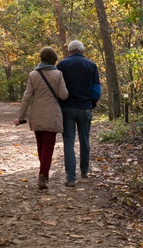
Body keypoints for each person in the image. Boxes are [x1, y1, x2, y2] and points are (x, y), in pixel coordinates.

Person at [14, 47, 69, 189]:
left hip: (37, 114)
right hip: (52, 114)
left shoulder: (33, 74)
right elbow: (63, 95)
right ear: (54, 59)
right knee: (48, 146)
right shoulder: (58, 74)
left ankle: (43, 173)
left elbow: (27, 97)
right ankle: (43, 175)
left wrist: (19, 116)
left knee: (40, 145)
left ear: (41, 58)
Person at [57, 40, 101, 187]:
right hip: (85, 107)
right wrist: (92, 103)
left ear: (70, 51)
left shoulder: (62, 65)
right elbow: (96, 89)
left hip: (67, 108)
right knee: (84, 140)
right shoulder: (91, 65)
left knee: (68, 142)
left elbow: (58, 88)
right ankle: (84, 171)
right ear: (82, 50)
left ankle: (71, 177)